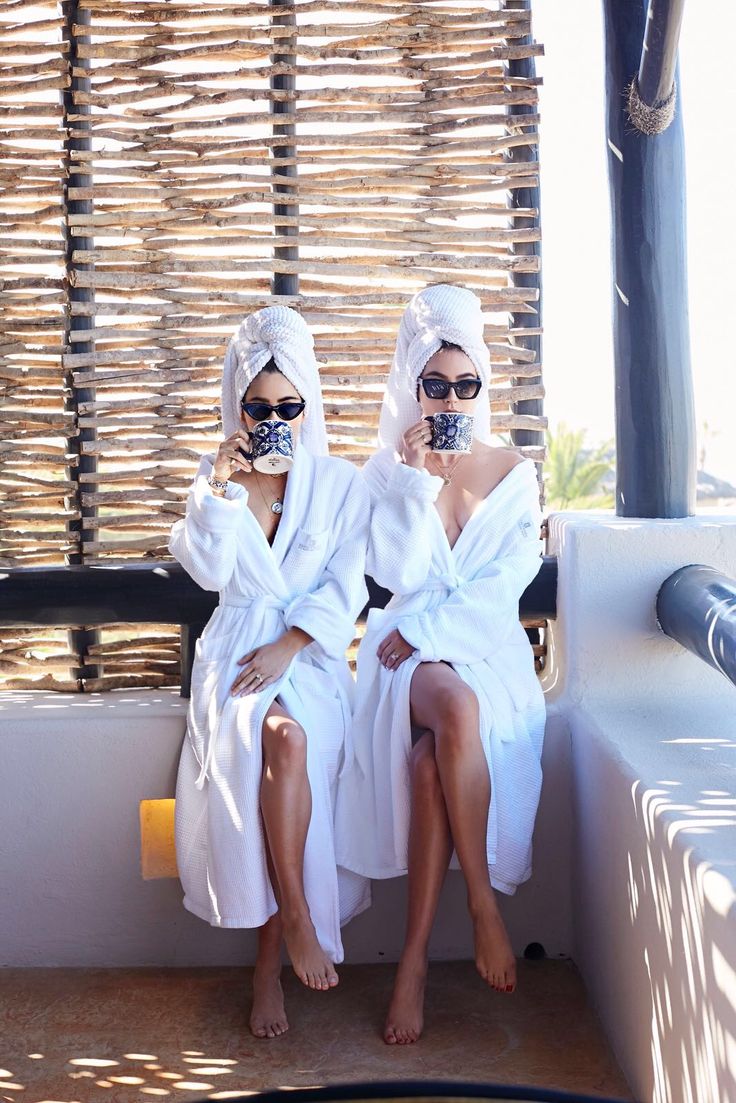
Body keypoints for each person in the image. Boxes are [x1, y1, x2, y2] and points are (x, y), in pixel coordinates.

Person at [335, 283, 546, 1045]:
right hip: (409, 659)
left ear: (481, 383)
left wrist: (428, 624)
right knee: (454, 712)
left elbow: (503, 589)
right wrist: (415, 478)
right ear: (411, 383)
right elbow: (388, 573)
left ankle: (413, 961)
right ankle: (485, 905)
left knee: (430, 765)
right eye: (434, 384)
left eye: (465, 384)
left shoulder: (513, 471)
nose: (450, 397)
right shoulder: (387, 472)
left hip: (479, 646)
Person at [169, 306, 370, 1039]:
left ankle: (281, 940)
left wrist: (292, 642)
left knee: (291, 742)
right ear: (238, 406)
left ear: (306, 404)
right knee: (266, 740)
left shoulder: (340, 483)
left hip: (306, 657)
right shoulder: (215, 477)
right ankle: (292, 927)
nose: (275, 417)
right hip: (236, 657)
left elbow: (348, 583)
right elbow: (209, 569)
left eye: (290, 405)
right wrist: (220, 488)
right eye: (260, 406)